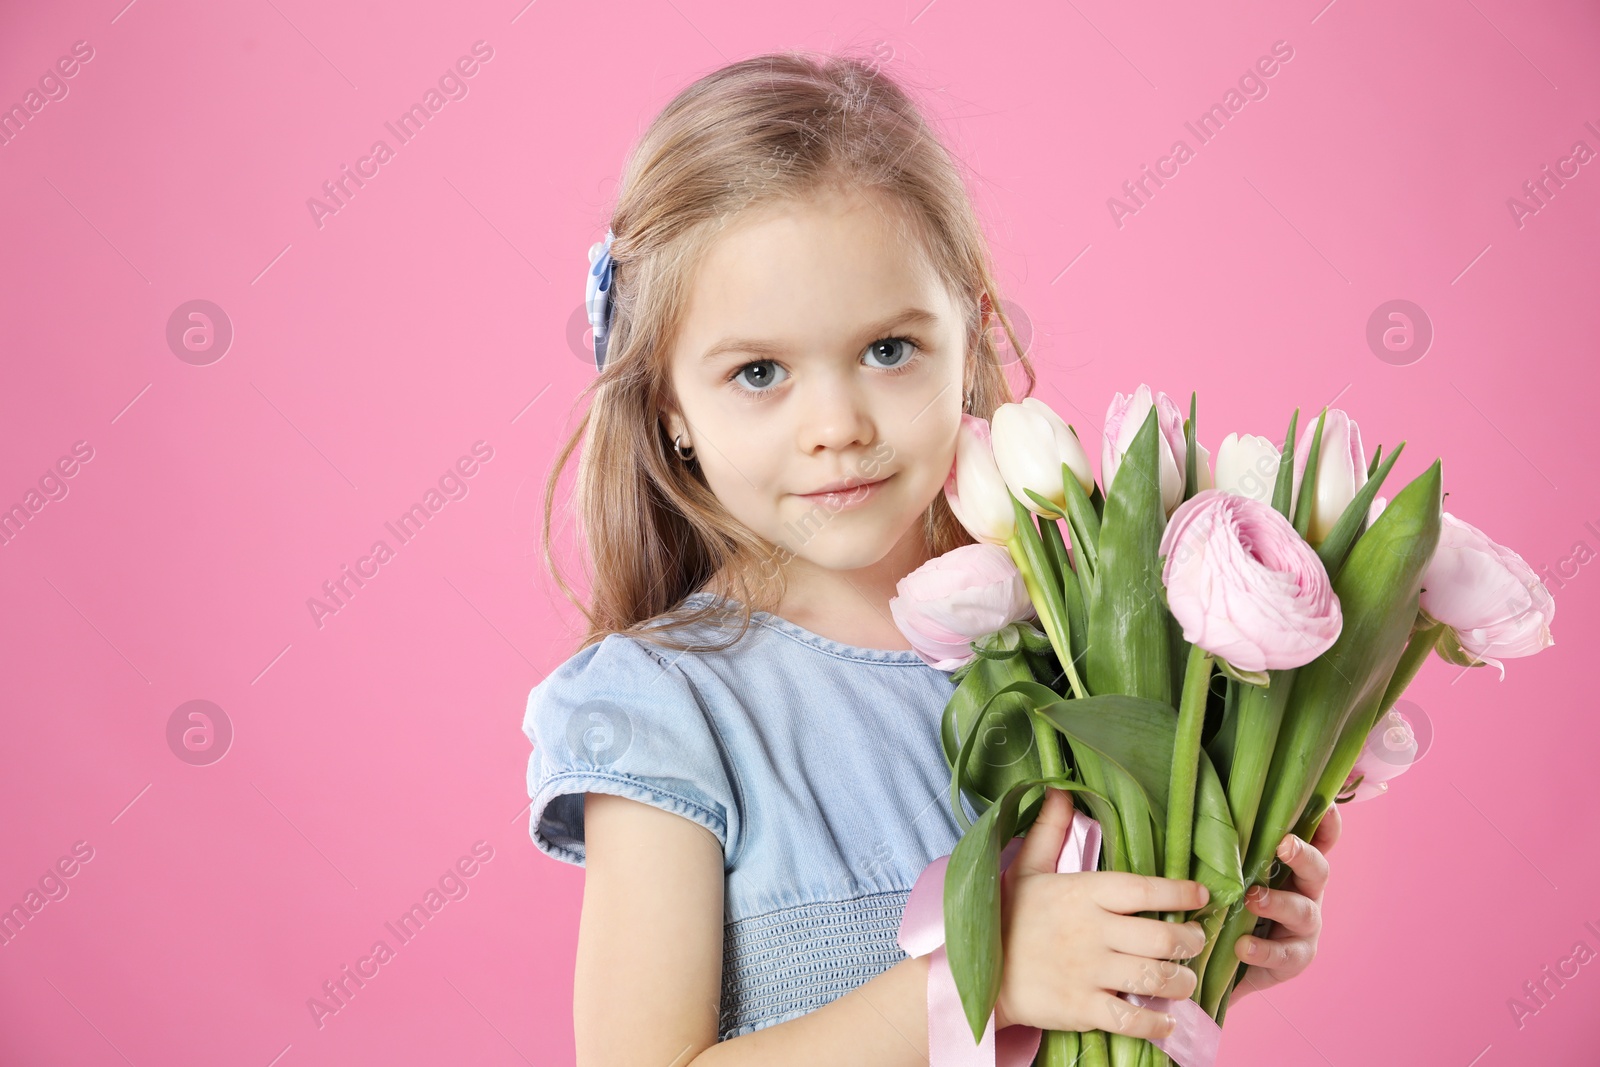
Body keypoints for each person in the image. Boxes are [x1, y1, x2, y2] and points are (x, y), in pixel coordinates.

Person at [520, 49, 1340, 1066]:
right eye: (759, 371)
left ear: (973, 331)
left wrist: (1203, 926)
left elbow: (1097, 1010)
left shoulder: (1070, 649)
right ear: (668, 408)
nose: (836, 423)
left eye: (888, 349)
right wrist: (984, 969)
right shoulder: (667, 706)